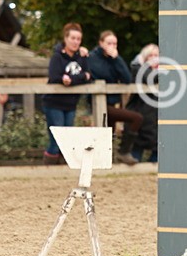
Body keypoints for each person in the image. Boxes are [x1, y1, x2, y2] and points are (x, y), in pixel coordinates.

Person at [87, 30, 142, 165]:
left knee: (109, 135)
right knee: (136, 118)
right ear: (101, 43)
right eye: (109, 43)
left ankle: (113, 157)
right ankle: (123, 153)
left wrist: (116, 58)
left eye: (115, 43)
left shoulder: (115, 59)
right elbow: (100, 74)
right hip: (98, 103)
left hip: (112, 103)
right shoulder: (92, 58)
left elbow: (127, 78)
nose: (112, 46)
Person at [42, 22, 92, 164]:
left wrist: (73, 79)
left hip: (70, 104)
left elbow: (88, 76)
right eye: (73, 38)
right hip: (54, 103)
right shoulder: (57, 57)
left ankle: (63, 169)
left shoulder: (82, 56)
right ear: (66, 38)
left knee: (67, 140)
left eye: (78, 39)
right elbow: (55, 77)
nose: (75, 42)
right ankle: (49, 168)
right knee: (57, 140)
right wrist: (76, 78)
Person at [126, 44, 160, 163]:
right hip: (141, 113)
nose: (153, 58)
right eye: (150, 55)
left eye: (156, 55)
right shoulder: (138, 69)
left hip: (156, 117)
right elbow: (149, 78)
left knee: (158, 149)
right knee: (137, 148)